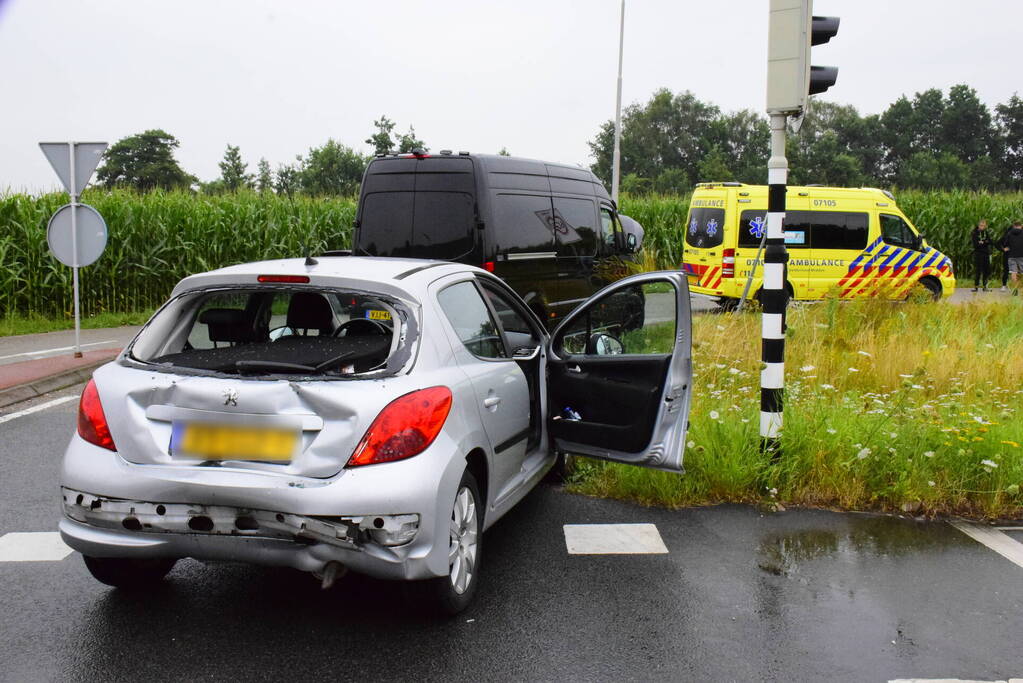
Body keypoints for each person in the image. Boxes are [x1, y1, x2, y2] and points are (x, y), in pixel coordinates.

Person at [1001, 220, 1023, 295]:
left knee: (1013, 272)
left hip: (1011, 256)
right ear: (1021, 226)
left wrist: (1007, 247)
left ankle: (1015, 290)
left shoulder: (1009, 233)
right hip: (1021, 255)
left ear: (1014, 226)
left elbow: (1005, 243)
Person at [970, 219, 992, 292]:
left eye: (984, 226)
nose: (982, 227)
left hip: (986, 254)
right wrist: (984, 242)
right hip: (978, 254)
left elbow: (990, 241)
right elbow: (976, 245)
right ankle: (976, 287)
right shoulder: (974, 233)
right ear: (978, 225)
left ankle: (985, 286)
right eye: (981, 225)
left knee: (986, 270)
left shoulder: (986, 232)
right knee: (978, 270)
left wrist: (983, 242)